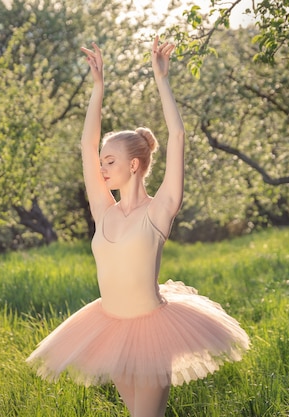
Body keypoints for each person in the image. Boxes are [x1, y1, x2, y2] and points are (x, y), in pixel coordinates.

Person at [26, 36, 250, 417]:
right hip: (109, 330)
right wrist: (98, 88)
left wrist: (162, 78)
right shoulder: (103, 210)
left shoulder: (159, 210)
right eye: (102, 161)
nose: (101, 167)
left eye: (110, 161)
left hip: (152, 332)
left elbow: (177, 137)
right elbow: (86, 145)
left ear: (134, 165)